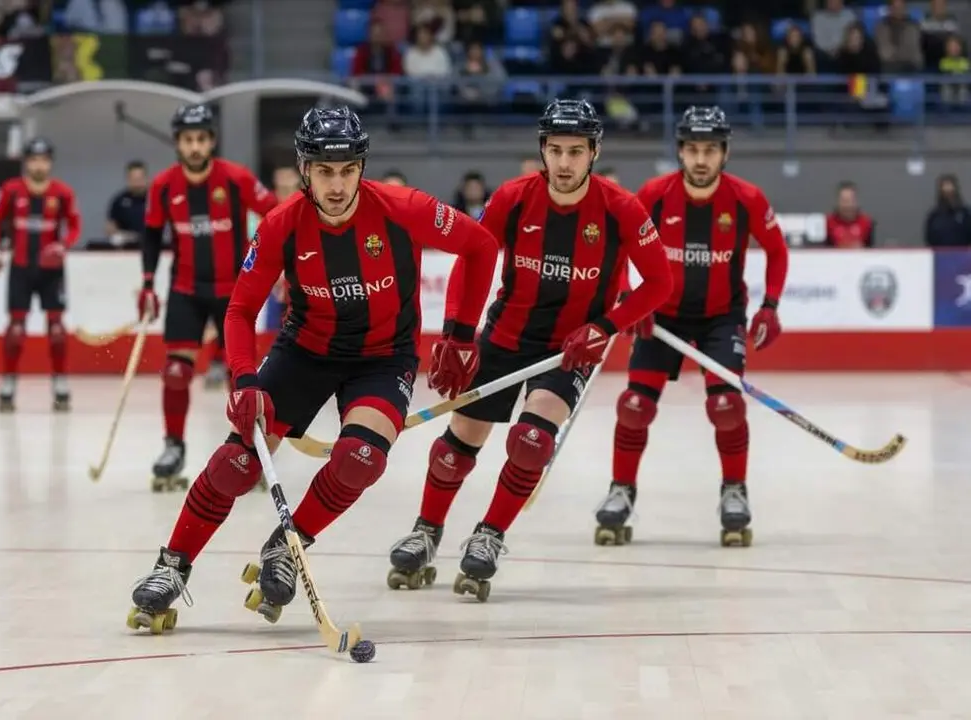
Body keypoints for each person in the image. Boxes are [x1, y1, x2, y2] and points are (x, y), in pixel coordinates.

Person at [126, 105, 502, 634]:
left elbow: (481, 245)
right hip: (304, 353)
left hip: (383, 359)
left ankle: (288, 545)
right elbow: (240, 310)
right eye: (324, 171)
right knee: (237, 463)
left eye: (348, 170)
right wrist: (244, 379)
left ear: (362, 167)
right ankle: (172, 566)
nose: (337, 185)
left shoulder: (403, 208)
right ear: (305, 169)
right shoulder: (282, 224)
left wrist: (461, 335)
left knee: (361, 459)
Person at [386, 99, 674, 602]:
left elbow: (659, 283)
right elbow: (471, 258)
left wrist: (605, 327)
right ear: (542, 149)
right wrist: (456, 333)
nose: (564, 163)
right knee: (455, 448)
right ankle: (426, 531)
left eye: (575, 152)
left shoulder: (621, 209)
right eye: (555, 150)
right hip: (505, 337)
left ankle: (490, 534)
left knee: (532, 440)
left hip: (568, 351)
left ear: (593, 152)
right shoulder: (513, 198)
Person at [598, 106, 789, 548]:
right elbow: (620, 245)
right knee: (633, 406)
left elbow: (777, 250)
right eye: (693, 150)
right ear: (680, 151)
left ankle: (734, 491)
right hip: (661, 316)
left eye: (711, 150)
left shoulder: (747, 199)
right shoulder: (654, 194)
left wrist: (770, 306)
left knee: (726, 406)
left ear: (725, 153)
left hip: (722, 318)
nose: (701, 159)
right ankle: (621, 491)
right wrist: (628, 298)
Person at [137, 103, 280, 492]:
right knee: (176, 371)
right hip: (185, 288)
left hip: (234, 292)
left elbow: (275, 215)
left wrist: (276, 265)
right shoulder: (163, 186)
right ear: (178, 143)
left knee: (241, 377)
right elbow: (151, 235)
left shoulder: (236, 178)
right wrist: (147, 283)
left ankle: (249, 450)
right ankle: (173, 446)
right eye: (188, 140)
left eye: (201, 139)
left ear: (212, 141)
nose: (195, 147)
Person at [0, 138, 82, 413]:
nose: (39, 165)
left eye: (44, 160)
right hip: (21, 268)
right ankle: (8, 383)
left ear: (50, 163)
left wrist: (63, 245)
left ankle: (60, 384)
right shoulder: (12, 190)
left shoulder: (62, 193)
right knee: (15, 329)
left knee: (57, 330)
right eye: (34, 160)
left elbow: (74, 225)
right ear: (26, 162)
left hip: (52, 271)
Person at [102, 160, 149, 250]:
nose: (137, 183)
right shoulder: (119, 200)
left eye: (139, 179)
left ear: (146, 178)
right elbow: (111, 225)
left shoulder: (155, 199)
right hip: (125, 247)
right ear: (128, 179)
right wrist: (113, 233)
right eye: (134, 179)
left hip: (151, 246)